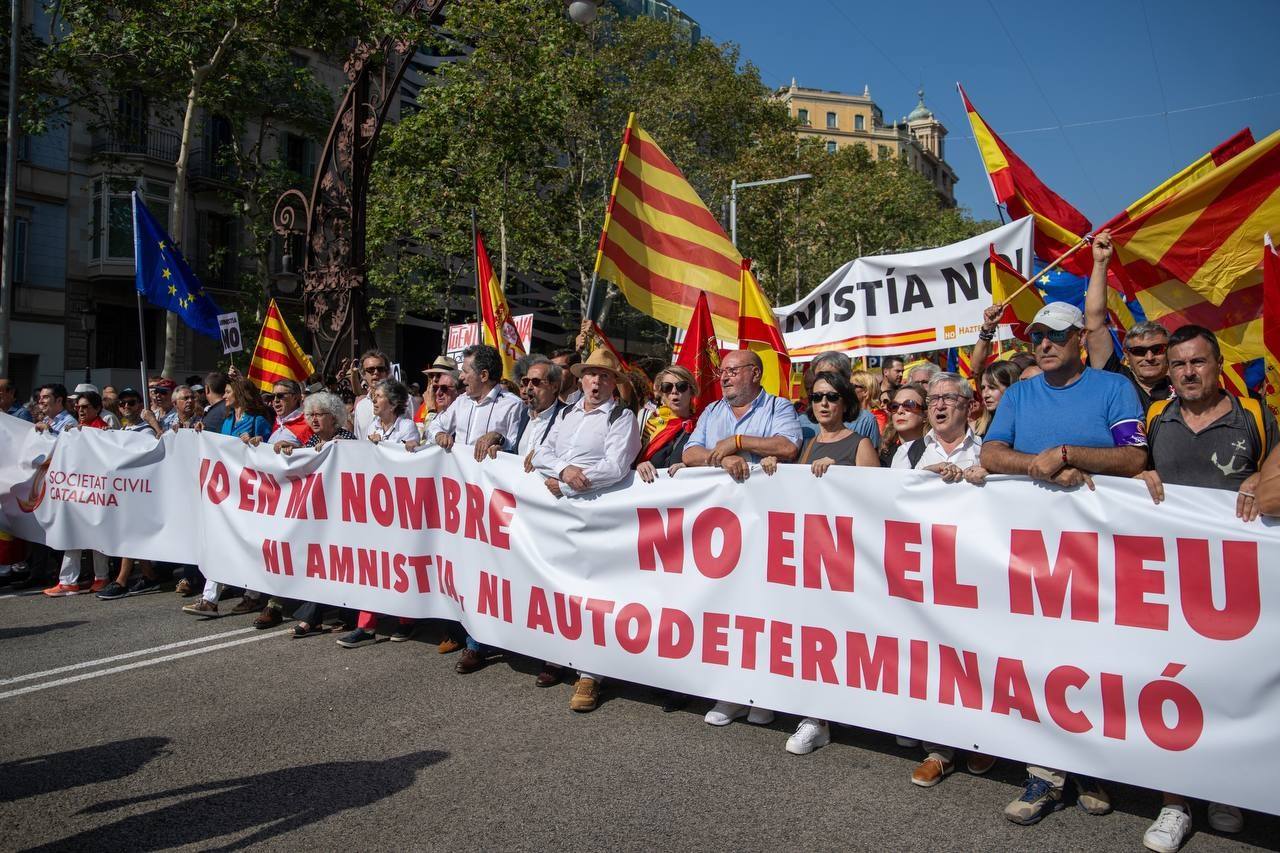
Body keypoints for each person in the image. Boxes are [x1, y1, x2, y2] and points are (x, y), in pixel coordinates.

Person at [980, 300, 1147, 825]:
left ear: (1079, 337)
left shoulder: (1113, 387)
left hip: (1102, 552)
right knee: (1037, 657)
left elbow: (1134, 456)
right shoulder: (1023, 391)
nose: (1044, 345)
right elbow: (990, 453)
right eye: (1037, 337)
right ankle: (1046, 773)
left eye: (1055, 335)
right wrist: (1038, 465)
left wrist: (1071, 453)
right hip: (1031, 553)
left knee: (1096, 660)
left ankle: (1091, 767)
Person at [1131, 324, 1270, 851]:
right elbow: (1135, 470)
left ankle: (1224, 789)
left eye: (1198, 363)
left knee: (1225, 688)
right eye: (1179, 364)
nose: (1188, 373)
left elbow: (1277, 470)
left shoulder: (1254, 416)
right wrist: (1138, 476)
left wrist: (1262, 479)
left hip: (1234, 586)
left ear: (1218, 365)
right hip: (1166, 581)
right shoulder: (1154, 417)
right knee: (1171, 689)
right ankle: (1175, 802)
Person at [759, 370, 877, 754]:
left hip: (845, 559)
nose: (823, 404)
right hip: (807, 557)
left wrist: (841, 476)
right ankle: (815, 716)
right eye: (817, 397)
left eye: (832, 397)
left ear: (846, 403)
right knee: (811, 638)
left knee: (842, 638)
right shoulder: (805, 443)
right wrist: (774, 474)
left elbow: (879, 502)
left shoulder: (860, 444)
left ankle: (838, 713)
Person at [683, 349, 802, 726]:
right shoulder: (712, 410)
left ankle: (764, 694)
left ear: (755, 373)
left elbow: (788, 446)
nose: (725, 376)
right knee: (727, 610)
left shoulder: (778, 407)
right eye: (723, 370)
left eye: (733, 370)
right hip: (721, 528)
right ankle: (732, 693)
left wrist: (739, 442)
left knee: (764, 610)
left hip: (765, 526)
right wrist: (718, 458)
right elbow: (690, 452)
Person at [887, 373, 996, 785]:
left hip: (975, 571)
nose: (938, 405)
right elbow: (890, 502)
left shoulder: (989, 449)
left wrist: (988, 479)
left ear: (969, 405)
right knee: (934, 658)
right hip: (924, 570)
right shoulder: (910, 452)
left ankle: (981, 742)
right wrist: (922, 479)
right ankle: (941, 748)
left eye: (948, 398)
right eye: (932, 398)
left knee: (976, 658)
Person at [531, 348, 642, 711]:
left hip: (596, 512)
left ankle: (591, 674)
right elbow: (542, 453)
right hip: (561, 510)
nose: (597, 381)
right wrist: (564, 472)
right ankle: (561, 653)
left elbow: (616, 466)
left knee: (595, 592)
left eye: (605, 376)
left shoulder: (621, 418)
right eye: (592, 374)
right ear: (581, 379)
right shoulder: (566, 413)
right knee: (561, 584)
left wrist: (566, 482)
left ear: (614, 384)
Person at [427, 344, 522, 670]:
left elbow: (517, 445)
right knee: (459, 563)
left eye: (465, 371)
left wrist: (497, 437)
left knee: (484, 568)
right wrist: (440, 434)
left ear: (483, 374)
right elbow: (433, 426)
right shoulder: (462, 403)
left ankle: (477, 644)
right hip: (459, 500)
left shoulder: (511, 406)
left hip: (491, 502)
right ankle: (460, 628)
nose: (461, 377)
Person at [183, 378, 273, 617]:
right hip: (228, 492)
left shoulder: (258, 420)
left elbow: (268, 454)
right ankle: (209, 599)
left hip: (252, 492)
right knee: (221, 541)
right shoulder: (226, 421)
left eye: (229, 392)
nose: (224, 397)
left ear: (241, 394)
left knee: (249, 544)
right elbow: (219, 448)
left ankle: (253, 595)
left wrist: (256, 444)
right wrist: (203, 435)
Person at [278, 392, 358, 637]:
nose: (313, 419)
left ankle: (344, 616)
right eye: (310, 415)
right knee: (321, 565)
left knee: (345, 567)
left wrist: (333, 449)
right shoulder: (310, 441)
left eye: (318, 415)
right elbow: (304, 460)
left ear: (333, 418)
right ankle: (314, 618)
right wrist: (289, 449)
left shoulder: (347, 439)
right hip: (321, 516)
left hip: (346, 515)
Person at [1085, 230, 1173, 411]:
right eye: (1139, 351)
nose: (1149, 357)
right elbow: (1094, 325)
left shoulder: (1185, 386)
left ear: (1169, 351)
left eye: (1157, 349)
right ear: (1126, 354)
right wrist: (1100, 264)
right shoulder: (1116, 379)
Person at [43, 391, 112, 596]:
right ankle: (68, 581)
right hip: (78, 492)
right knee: (74, 534)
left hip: (97, 492)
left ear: (97, 408)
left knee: (98, 536)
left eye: (85, 407)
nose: (80, 411)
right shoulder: (76, 429)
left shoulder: (103, 430)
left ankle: (101, 577)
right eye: (78, 407)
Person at [635, 365, 697, 484]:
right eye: (667, 387)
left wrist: (692, 468)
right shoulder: (646, 420)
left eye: (681, 386)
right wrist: (639, 465)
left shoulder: (702, 425)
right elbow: (627, 460)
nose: (674, 391)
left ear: (692, 391)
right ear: (661, 394)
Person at [807, 351, 880, 449]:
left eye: (831, 376)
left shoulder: (865, 420)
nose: (825, 381)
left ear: (846, 379)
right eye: (820, 376)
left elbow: (870, 462)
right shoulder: (802, 421)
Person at [878, 384, 928, 468]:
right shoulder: (884, 455)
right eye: (894, 406)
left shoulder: (934, 450)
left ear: (925, 415)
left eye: (909, 405)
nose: (900, 411)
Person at [364, 378, 419, 451]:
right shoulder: (372, 427)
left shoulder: (407, 427)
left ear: (393, 404)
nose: (374, 400)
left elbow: (407, 457)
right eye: (374, 395)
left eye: (379, 396)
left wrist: (381, 444)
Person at [351, 349, 391, 439]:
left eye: (381, 369)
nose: (376, 373)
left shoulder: (404, 401)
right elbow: (358, 439)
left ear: (387, 372)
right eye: (371, 369)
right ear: (363, 374)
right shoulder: (361, 406)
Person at [975, 361, 1020, 437]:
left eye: (992, 387)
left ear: (1011, 387)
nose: (985, 395)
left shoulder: (1023, 424)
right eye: (983, 388)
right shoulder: (980, 426)